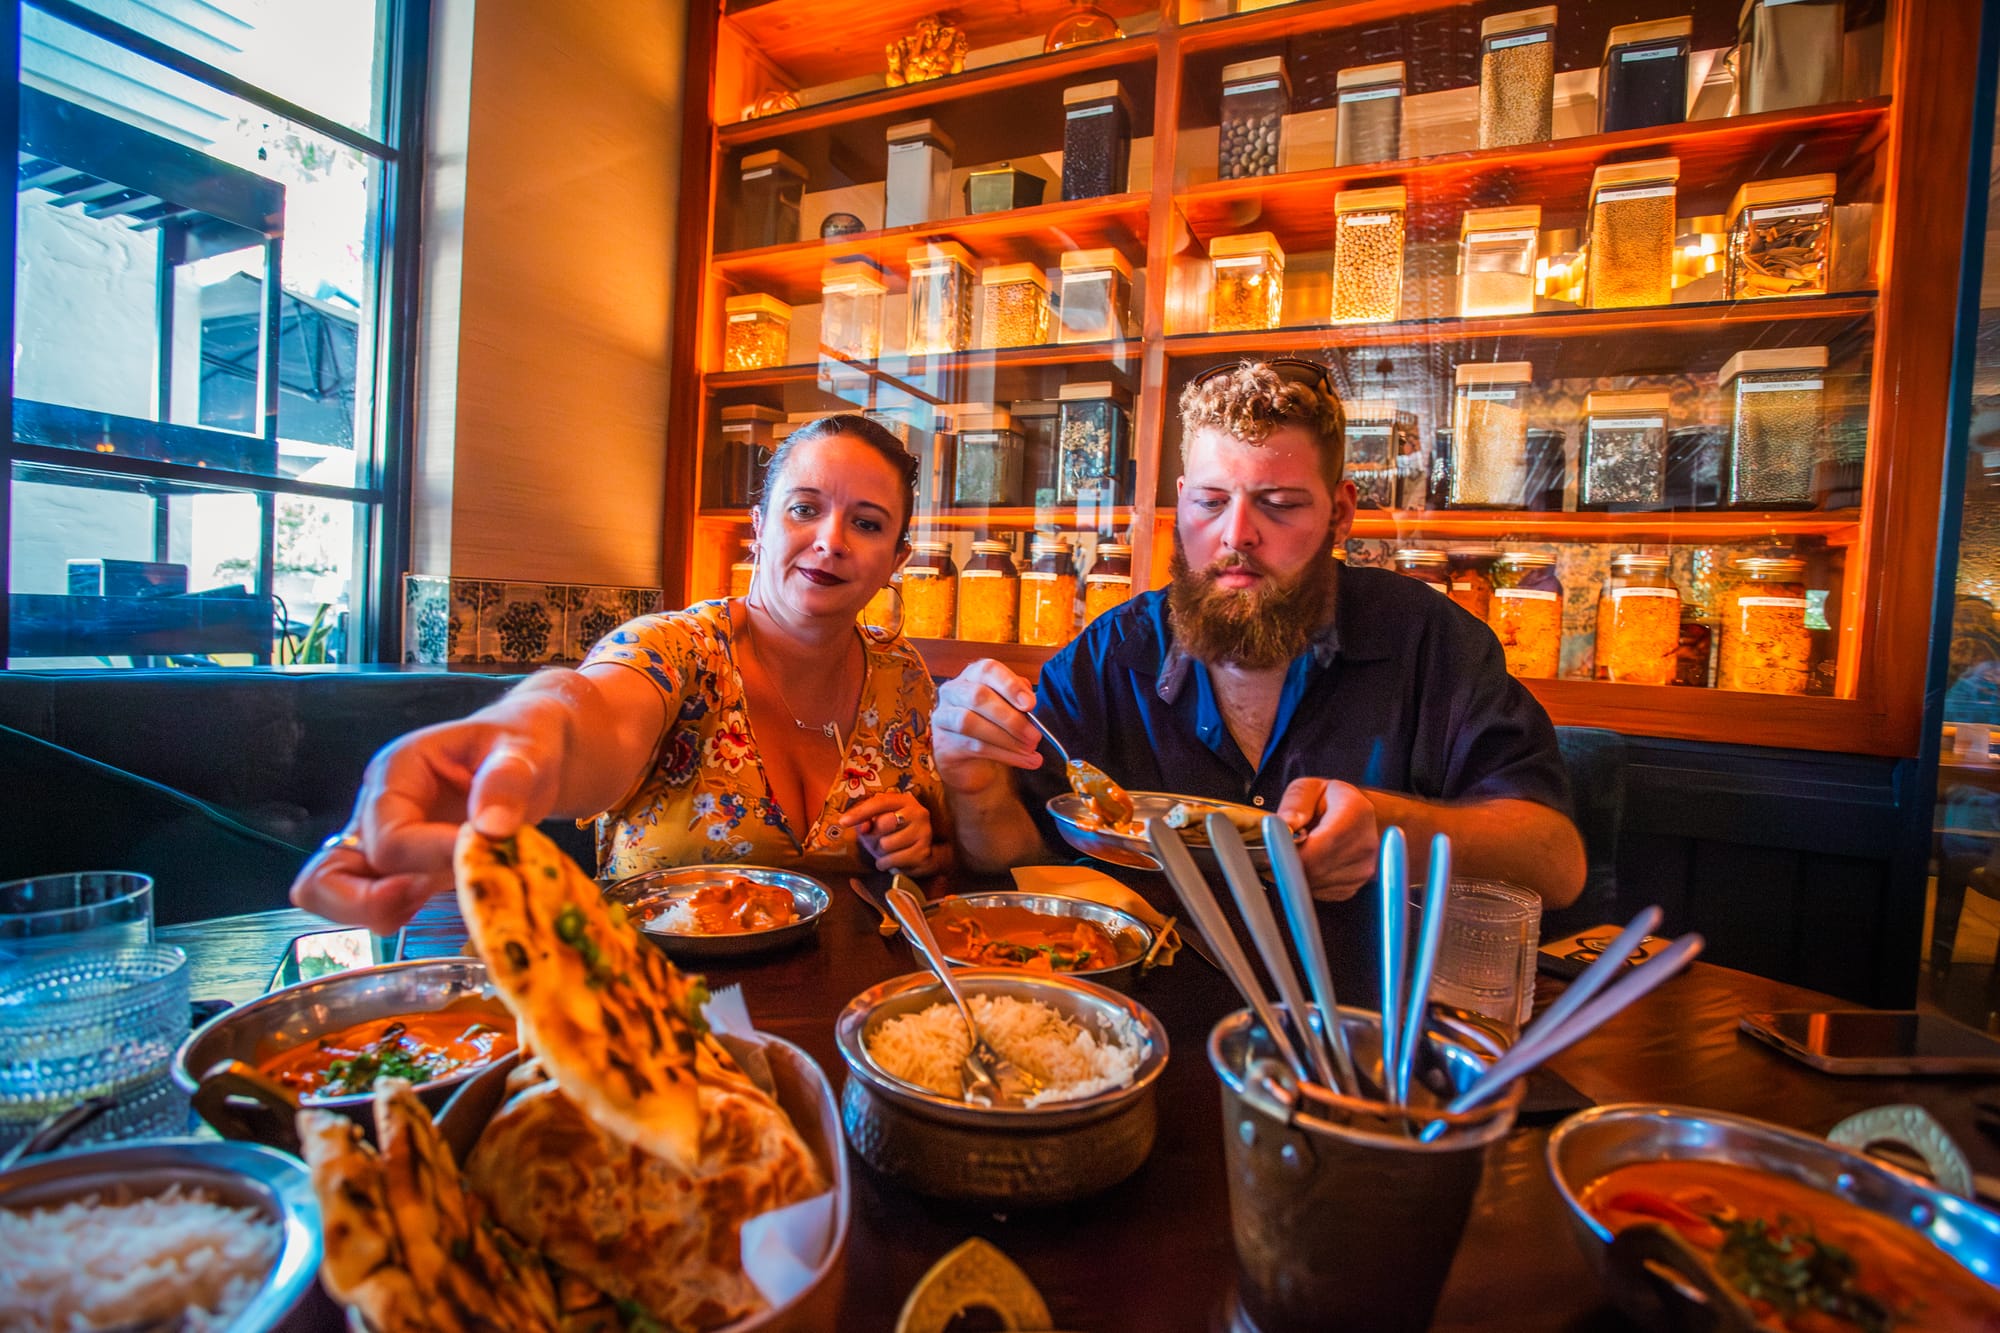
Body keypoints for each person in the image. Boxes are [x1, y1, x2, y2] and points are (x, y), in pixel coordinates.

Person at [933, 359, 1585, 908]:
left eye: (1280, 504)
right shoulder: (1111, 655)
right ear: (1182, 501)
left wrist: (1391, 831)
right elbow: (1012, 851)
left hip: (1358, 1022)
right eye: (1211, 502)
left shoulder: (1431, 643)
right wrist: (972, 779)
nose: (1236, 534)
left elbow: (1556, 861)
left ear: (1342, 512)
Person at [293, 415, 945, 933]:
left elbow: (942, 852)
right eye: (804, 509)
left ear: (895, 559)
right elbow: (586, 710)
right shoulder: (679, 649)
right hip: (643, 1029)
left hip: (843, 1030)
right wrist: (519, 739)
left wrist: (916, 842)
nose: (831, 539)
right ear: (758, 528)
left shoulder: (905, 681)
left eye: (866, 523)